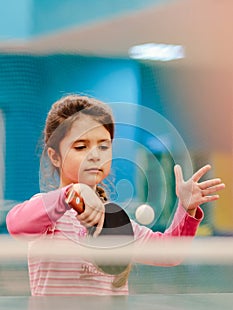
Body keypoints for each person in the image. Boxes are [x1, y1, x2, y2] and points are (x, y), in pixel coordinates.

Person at [6, 94, 225, 296]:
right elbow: (16, 224)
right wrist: (70, 194)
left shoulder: (115, 221)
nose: (94, 155)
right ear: (55, 157)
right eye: (81, 147)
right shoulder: (47, 214)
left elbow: (169, 253)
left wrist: (186, 209)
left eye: (103, 146)